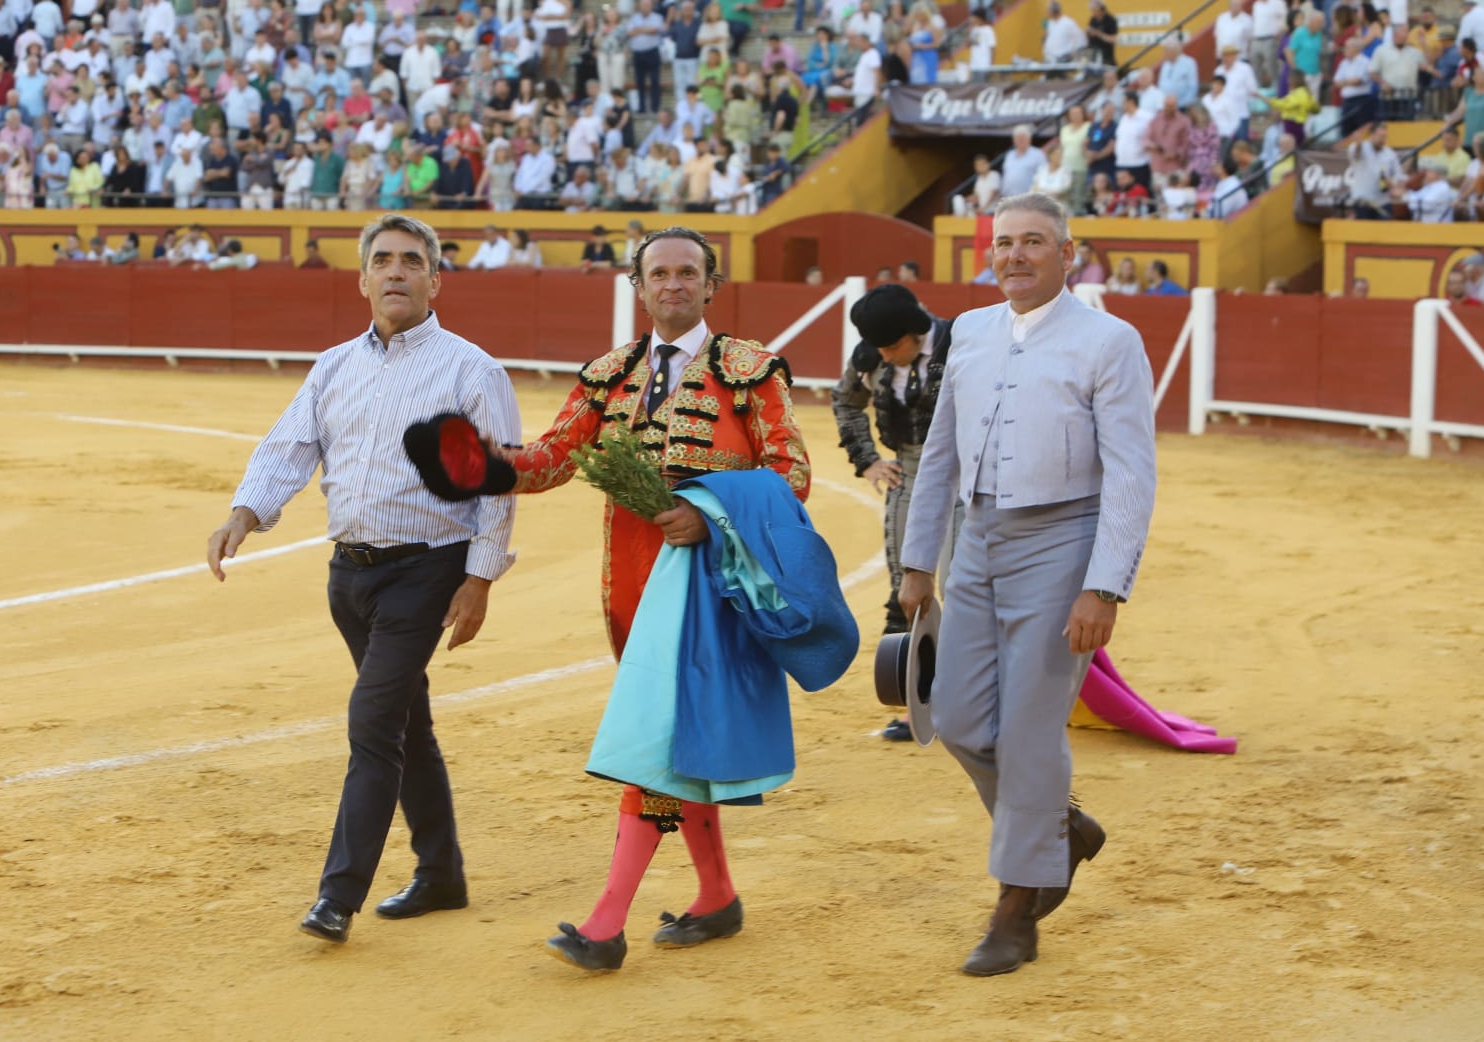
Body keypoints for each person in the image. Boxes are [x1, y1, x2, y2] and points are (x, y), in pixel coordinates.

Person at [491, 227, 809, 972]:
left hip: (712, 589)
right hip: (633, 586)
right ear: (639, 287)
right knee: (678, 742)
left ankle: (606, 926)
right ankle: (717, 894)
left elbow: (790, 474)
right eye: (657, 273)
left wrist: (710, 512)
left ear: (709, 286)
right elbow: (550, 460)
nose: (671, 283)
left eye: (686, 272)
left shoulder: (749, 371)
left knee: (656, 744)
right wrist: (481, 463)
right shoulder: (610, 375)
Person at [206, 214, 521, 945]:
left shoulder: (473, 370)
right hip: (350, 575)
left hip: (426, 570)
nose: (397, 272)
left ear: (436, 279)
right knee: (408, 723)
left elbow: (497, 487)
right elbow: (290, 446)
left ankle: (337, 897)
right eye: (383, 260)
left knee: (373, 726)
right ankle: (441, 873)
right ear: (362, 278)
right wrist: (244, 513)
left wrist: (479, 579)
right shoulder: (334, 366)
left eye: (413, 261)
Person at [898, 193, 1157, 977]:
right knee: (961, 719)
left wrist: (1103, 586)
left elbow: (1131, 474)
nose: (1014, 255)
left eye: (1033, 242)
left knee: (1032, 731)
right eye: (1004, 242)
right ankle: (1059, 832)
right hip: (977, 541)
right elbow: (939, 451)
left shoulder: (1110, 340)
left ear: (1067, 254)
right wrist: (917, 562)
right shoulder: (970, 331)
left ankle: (1016, 909)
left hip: (1063, 543)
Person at [831, 284, 964, 742]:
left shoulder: (961, 343)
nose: (884, 357)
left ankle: (976, 701)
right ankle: (918, 704)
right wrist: (867, 459)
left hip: (967, 473)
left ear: (916, 332)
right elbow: (845, 402)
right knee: (908, 587)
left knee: (964, 585)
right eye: (879, 348)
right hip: (908, 470)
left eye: (892, 347)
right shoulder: (873, 354)